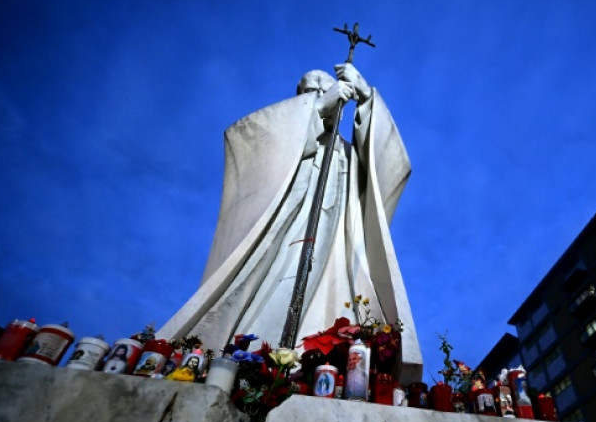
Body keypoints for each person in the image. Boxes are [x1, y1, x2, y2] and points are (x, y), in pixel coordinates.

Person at [156, 63, 421, 385]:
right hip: (285, 232)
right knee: (274, 284)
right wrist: (316, 111)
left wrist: (367, 99)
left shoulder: (350, 157)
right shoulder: (282, 140)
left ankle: (308, 364)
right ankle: (248, 360)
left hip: (334, 239)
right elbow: (247, 138)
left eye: (328, 90)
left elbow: (392, 166)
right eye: (312, 92)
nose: (324, 96)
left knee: (327, 299)